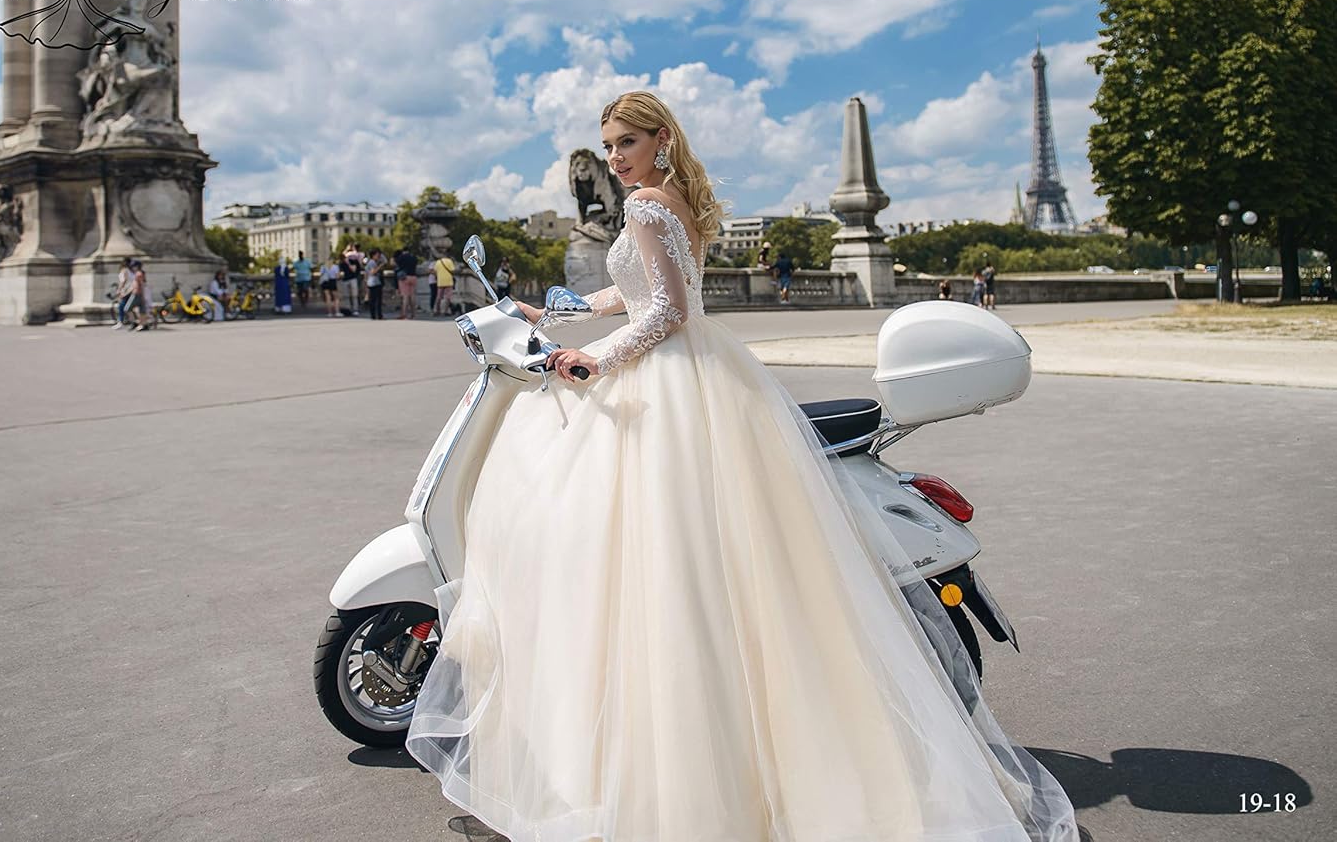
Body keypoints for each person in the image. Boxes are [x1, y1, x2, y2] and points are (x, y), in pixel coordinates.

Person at [405, 91, 1078, 842]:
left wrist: (593, 359)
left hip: (664, 379)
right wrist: (551, 310)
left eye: (628, 143)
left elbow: (664, 314)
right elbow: (638, 291)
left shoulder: (644, 206)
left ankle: (661, 769)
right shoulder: (670, 201)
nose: (617, 158)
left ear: (661, 139)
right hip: (703, 379)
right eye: (609, 147)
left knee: (637, 566)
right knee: (702, 575)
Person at [394, 246, 419, 319]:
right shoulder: (414, 257)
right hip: (413, 277)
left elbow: (395, 264)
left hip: (404, 277)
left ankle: (404, 314)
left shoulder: (401, 257)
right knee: (412, 296)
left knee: (405, 296)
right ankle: (413, 314)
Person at [340, 244, 364, 317]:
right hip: (345, 279)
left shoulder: (354, 261)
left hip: (353, 278)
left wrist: (348, 263)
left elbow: (354, 270)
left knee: (354, 295)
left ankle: (355, 310)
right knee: (346, 296)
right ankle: (347, 309)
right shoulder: (342, 262)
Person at [111, 258, 134, 329]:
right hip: (131, 289)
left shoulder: (124, 270)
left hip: (126, 291)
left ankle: (120, 322)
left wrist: (119, 289)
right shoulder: (131, 270)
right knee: (127, 307)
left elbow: (123, 281)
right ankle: (132, 322)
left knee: (121, 306)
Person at [364, 248, 386, 320]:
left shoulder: (369, 262)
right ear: (373, 255)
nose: (379, 256)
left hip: (371, 283)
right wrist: (380, 266)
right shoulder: (372, 262)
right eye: (377, 255)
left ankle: (373, 315)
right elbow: (373, 272)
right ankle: (378, 315)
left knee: (373, 300)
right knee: (377, 300)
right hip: (375, 282)